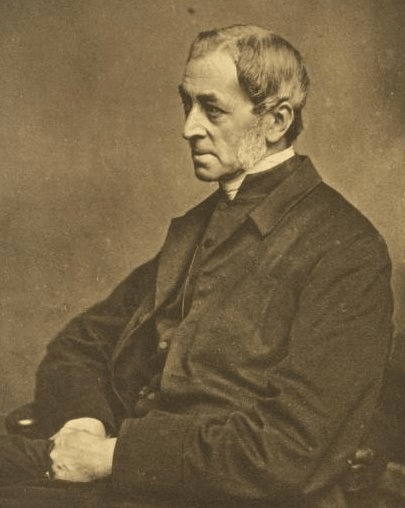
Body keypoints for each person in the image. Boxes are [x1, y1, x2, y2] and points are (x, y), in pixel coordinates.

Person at [0, 24, 394, 508]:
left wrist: (112, 457)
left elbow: (288, 451)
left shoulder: (345, 249)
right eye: (187, 104)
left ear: (276, 121)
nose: (189, 127)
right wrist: (86, 425)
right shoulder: (200, 228)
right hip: (124, 471)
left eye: (212, 109)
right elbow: (81, 343)